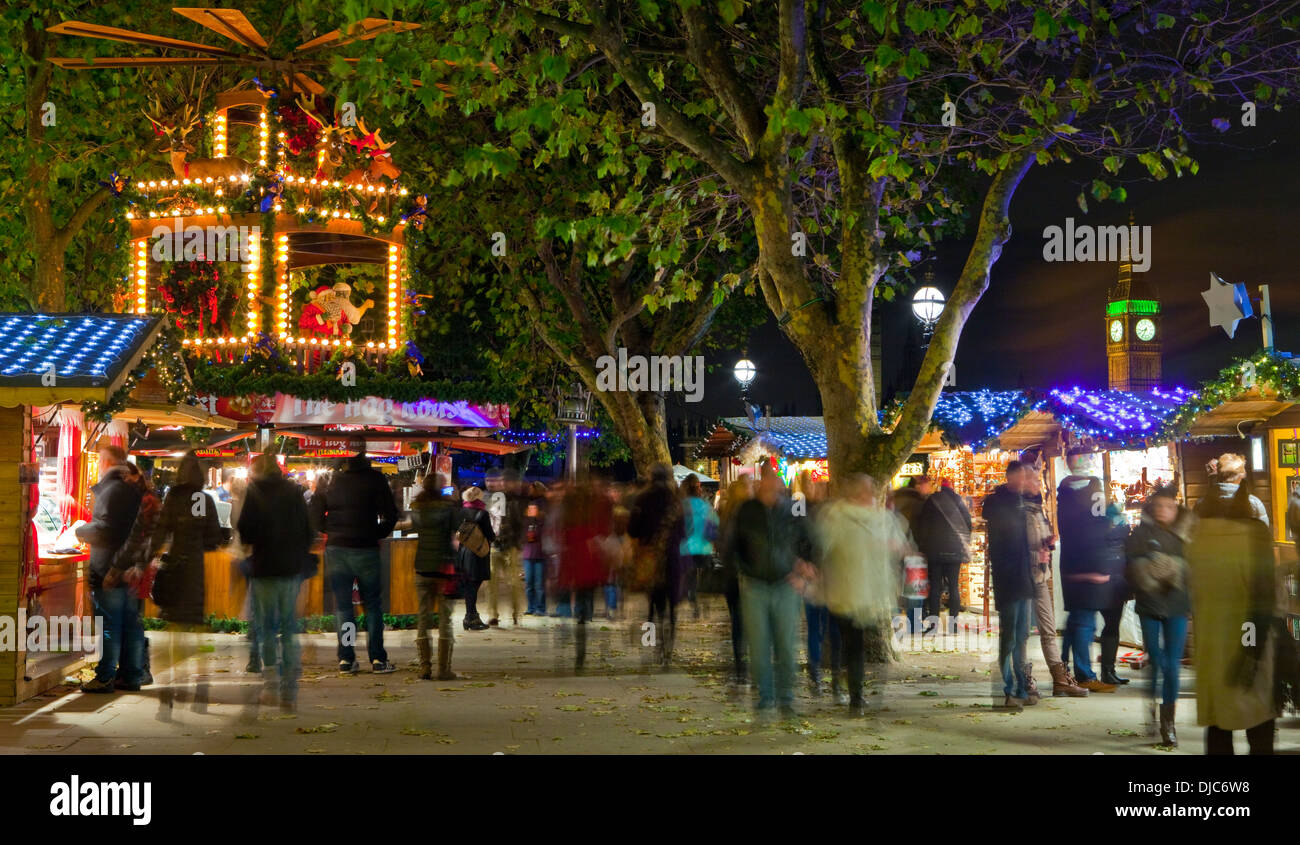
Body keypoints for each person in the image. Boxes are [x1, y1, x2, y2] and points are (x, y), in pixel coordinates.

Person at [1189, 454, 1277, 754]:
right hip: (1247, 634)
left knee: (1218, 726)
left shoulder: (1199, 534)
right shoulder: (1254, 532)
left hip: (1212, 641)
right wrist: (1252, 646)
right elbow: (1262, 597)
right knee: (1259, 721)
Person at [816, 474, 908, 716]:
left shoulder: (842, 516)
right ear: (859, 493)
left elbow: (897, 543)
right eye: (867, 491)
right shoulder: (845, 517)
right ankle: (854, 696)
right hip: (853, 593)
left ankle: (851, 691)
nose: (870, 496)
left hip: (857, 593)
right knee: (853, 645)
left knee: (852, 645)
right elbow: (823, 548)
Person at [726, 465, 813, 719]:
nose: (771, 486)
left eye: (775, 482)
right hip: (754, 585)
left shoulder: (793, 509)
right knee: (760, 646)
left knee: (786, 645)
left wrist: (804, 567)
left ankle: (786, 698)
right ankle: (765, 698)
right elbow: (732, 545)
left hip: (786, 585)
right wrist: (743, 571)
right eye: (766, 481)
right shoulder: (747, 510)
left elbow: (808, 539)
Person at [311, 442, 399, 674]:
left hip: (338, 550)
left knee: (343, 606)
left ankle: (347, 658)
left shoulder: (329, 480)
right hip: (367, 548)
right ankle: (378, 659)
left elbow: (314, 516)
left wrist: (332, 531)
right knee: (373, 605)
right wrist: (377, 532)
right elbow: (391, 515)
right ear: (365, 453)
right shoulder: (376, 479)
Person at [148, 450, 223, 711]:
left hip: (176, 567)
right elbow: (213, 535)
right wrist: (201, 542)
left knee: (174, 632)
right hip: (195, 570)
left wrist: (150, 554)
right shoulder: (204, 498)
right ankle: (201, 693)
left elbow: (161, 530)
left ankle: (170, 692)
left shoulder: (174, 496)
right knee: (198, 630)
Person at [237, 454, 313, 710]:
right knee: (289, 627)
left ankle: (270, 685)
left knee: (266, 627)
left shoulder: (254, 491)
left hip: (264, 567)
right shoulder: (294, 491)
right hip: (290, 568)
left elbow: (245, 531)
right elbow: (308, 530)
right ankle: (290, 689)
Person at [76, 445, 146, 694]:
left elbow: (106, 530)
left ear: (105, 461)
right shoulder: (131, 489)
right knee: (129, 624)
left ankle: (105, 676)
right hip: (127, 568)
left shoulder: (112, 490)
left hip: (109, 568)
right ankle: (131, 676)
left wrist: (80, 530)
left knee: (109, 625)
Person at [1126, 485, 1191, 745]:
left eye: (1170, 506)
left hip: (1177, 605)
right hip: (1150, 605)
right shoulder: (1140, 534)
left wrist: (1177, 569)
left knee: (1172, 665)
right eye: (1160, 506)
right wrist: (1146, 572)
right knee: (1156, 659)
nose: (1165, 511)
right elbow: (1128, 569)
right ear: (1153, 508)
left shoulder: (1185, 535)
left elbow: (1196, 569)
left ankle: (1168, 723)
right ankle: (1151, 709)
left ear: (1176, 509)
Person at [1056, 449, 1124, 693]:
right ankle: (1083, 675)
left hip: (1077, 565)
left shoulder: (1068, 490)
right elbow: (1094, 529)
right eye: (1085, 458)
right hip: (1086, 566)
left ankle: (1062, 671)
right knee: (1084, 623)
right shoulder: (1088, 487)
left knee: (1078, 622)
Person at [1022, 461, 1086, 698]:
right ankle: (1023, 678)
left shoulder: (1037, 509)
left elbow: (1037, 540)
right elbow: (1010, 550)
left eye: (1039, 479)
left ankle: (1060, 678)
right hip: (1021, 580)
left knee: (1048, 630)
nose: (1039, 483)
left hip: (1039, 576)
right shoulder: (1017, 511)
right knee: (1022, 633)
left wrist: (1047, 544)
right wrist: (1035, 553)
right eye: (1035, 479)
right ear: (1023, 481)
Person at [983, 461, 1037, 710]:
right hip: (1009, 577)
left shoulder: (1024, 504)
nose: (1026, 481)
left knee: (1022, 635)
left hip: (1024, 577)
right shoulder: (999, 504)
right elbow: (1006, 543)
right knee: (1010, 636)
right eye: (1023, 476)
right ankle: (1008, 689)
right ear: (1012, 478)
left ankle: (1020, 687)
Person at [399, 473, 462, 680]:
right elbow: (458, 530)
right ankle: (444, 669)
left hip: (423, 568)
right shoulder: (448, 509)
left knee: (423, 617)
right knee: (445, 619)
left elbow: (409, 527)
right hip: (444, 569)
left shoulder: (417, 510)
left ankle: (425, 667)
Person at [629, 464, 685, 665]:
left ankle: (652, 644)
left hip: (651, 559)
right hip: (672, 558)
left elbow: (633, 529)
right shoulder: (676, 501)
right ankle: (668, 648)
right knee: (672, 608)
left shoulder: (643, 499)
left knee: (653, 605)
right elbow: (685, 531)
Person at [558, 481, 613, 671]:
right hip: (589, 564)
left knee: (578, 600)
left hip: (573, 563)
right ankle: (583, 624)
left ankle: (578, 645)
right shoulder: (592, 517)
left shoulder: (569, 517)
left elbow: (562, 538)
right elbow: (602, 536)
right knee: (585, 598)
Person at [915, 479, 971, 634]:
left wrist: (924, 546)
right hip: (955, 550)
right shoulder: (959, 501)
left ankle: (933, 626)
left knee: (935, 587)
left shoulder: (932, 501)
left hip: (935, 550)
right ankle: (953, 626)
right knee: (954, 586)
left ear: (940, 487)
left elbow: (923, 525)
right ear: (952, 488)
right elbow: (968, 524)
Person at [717, 477, 752, 687]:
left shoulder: (726, 512)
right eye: (749, 487)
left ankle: (741, 667)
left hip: (731, 576)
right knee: (743, 623)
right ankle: (743, 667)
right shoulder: (742, 514)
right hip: (741, 576)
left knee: (738, 623)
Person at [487, 469, 527, 627]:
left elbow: (518, 523)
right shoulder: (493, 499)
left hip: (509, 545)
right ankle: (493, 614)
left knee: (514, 582)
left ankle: (516, 613)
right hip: (496, 545)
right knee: (492, 583)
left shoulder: (514, 500)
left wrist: (517, 544)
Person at [678, 474, 719, 620]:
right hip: (703, 547)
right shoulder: (705, 506)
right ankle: (704, 599)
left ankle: (693, 599)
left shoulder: (681, 505)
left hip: (686, 548)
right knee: (705, 573)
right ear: (698, 488)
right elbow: (715, 524)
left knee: (690, 576)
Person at [457, 486, 495, 631]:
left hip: (464, 552)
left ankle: (471, 616)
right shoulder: (482, 513)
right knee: (473, 586)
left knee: (469, 586)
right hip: (477, 554)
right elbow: (490, 535)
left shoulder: (462, 512)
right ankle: (470, 618)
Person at [522, 482, 548, 616]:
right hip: (529, 549)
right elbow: (526, 524)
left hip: (539, 550)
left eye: (531, 489)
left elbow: (543, 524)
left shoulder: (543, 504)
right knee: (530, 583)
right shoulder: (529, 504)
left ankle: (540, 608)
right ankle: (531, 607)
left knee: (538, 583)